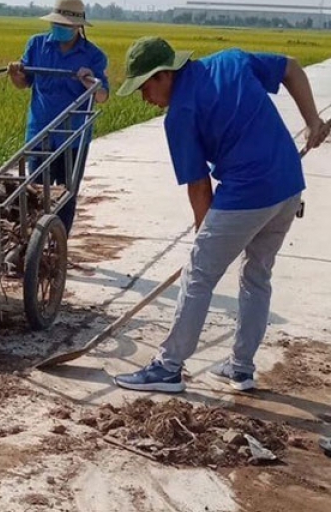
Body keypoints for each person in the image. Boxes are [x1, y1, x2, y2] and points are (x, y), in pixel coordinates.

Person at [112, 37, 329, 393]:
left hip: (248, 189)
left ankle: (168, 367)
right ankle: (240, 368)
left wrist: (204, 243)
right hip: (289, 183)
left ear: (165, 75)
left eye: (145, 87)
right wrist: (312, 120)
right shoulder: (231, 60)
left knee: (199, 275)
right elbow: (290, 65)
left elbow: (199, 188)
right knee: (257, 275)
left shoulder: (180, 114)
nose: (144, 97)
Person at [6, 0, 110, 236]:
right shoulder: (37, 45)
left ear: (78, 27)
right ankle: (32, 241)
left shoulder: (93, 55)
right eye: (57, 23)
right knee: (35, 190)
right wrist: (15, 74)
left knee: (66, 191)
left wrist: (89, 82)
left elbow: (103, 95)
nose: (60, 29)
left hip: (73, 135)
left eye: (66, 25)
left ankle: (59, 242)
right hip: (40, 131)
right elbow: (25, 83)